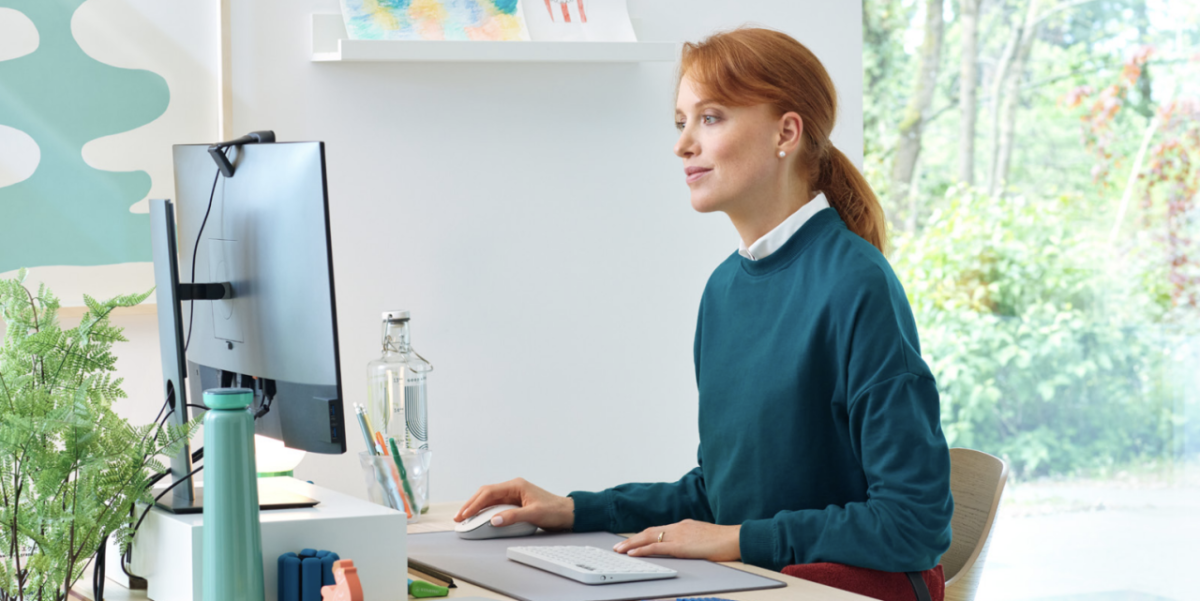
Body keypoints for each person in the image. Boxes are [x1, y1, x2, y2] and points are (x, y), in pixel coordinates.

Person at [455, 27, 954, 575]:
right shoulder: (724, 290)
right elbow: (720, 498)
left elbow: (914, 523)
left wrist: (740, 540)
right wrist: (575, 509)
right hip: (754, 579)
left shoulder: (858, 284)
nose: (682, 144)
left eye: (710, 117)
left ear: (786, 131)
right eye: (680, 121)